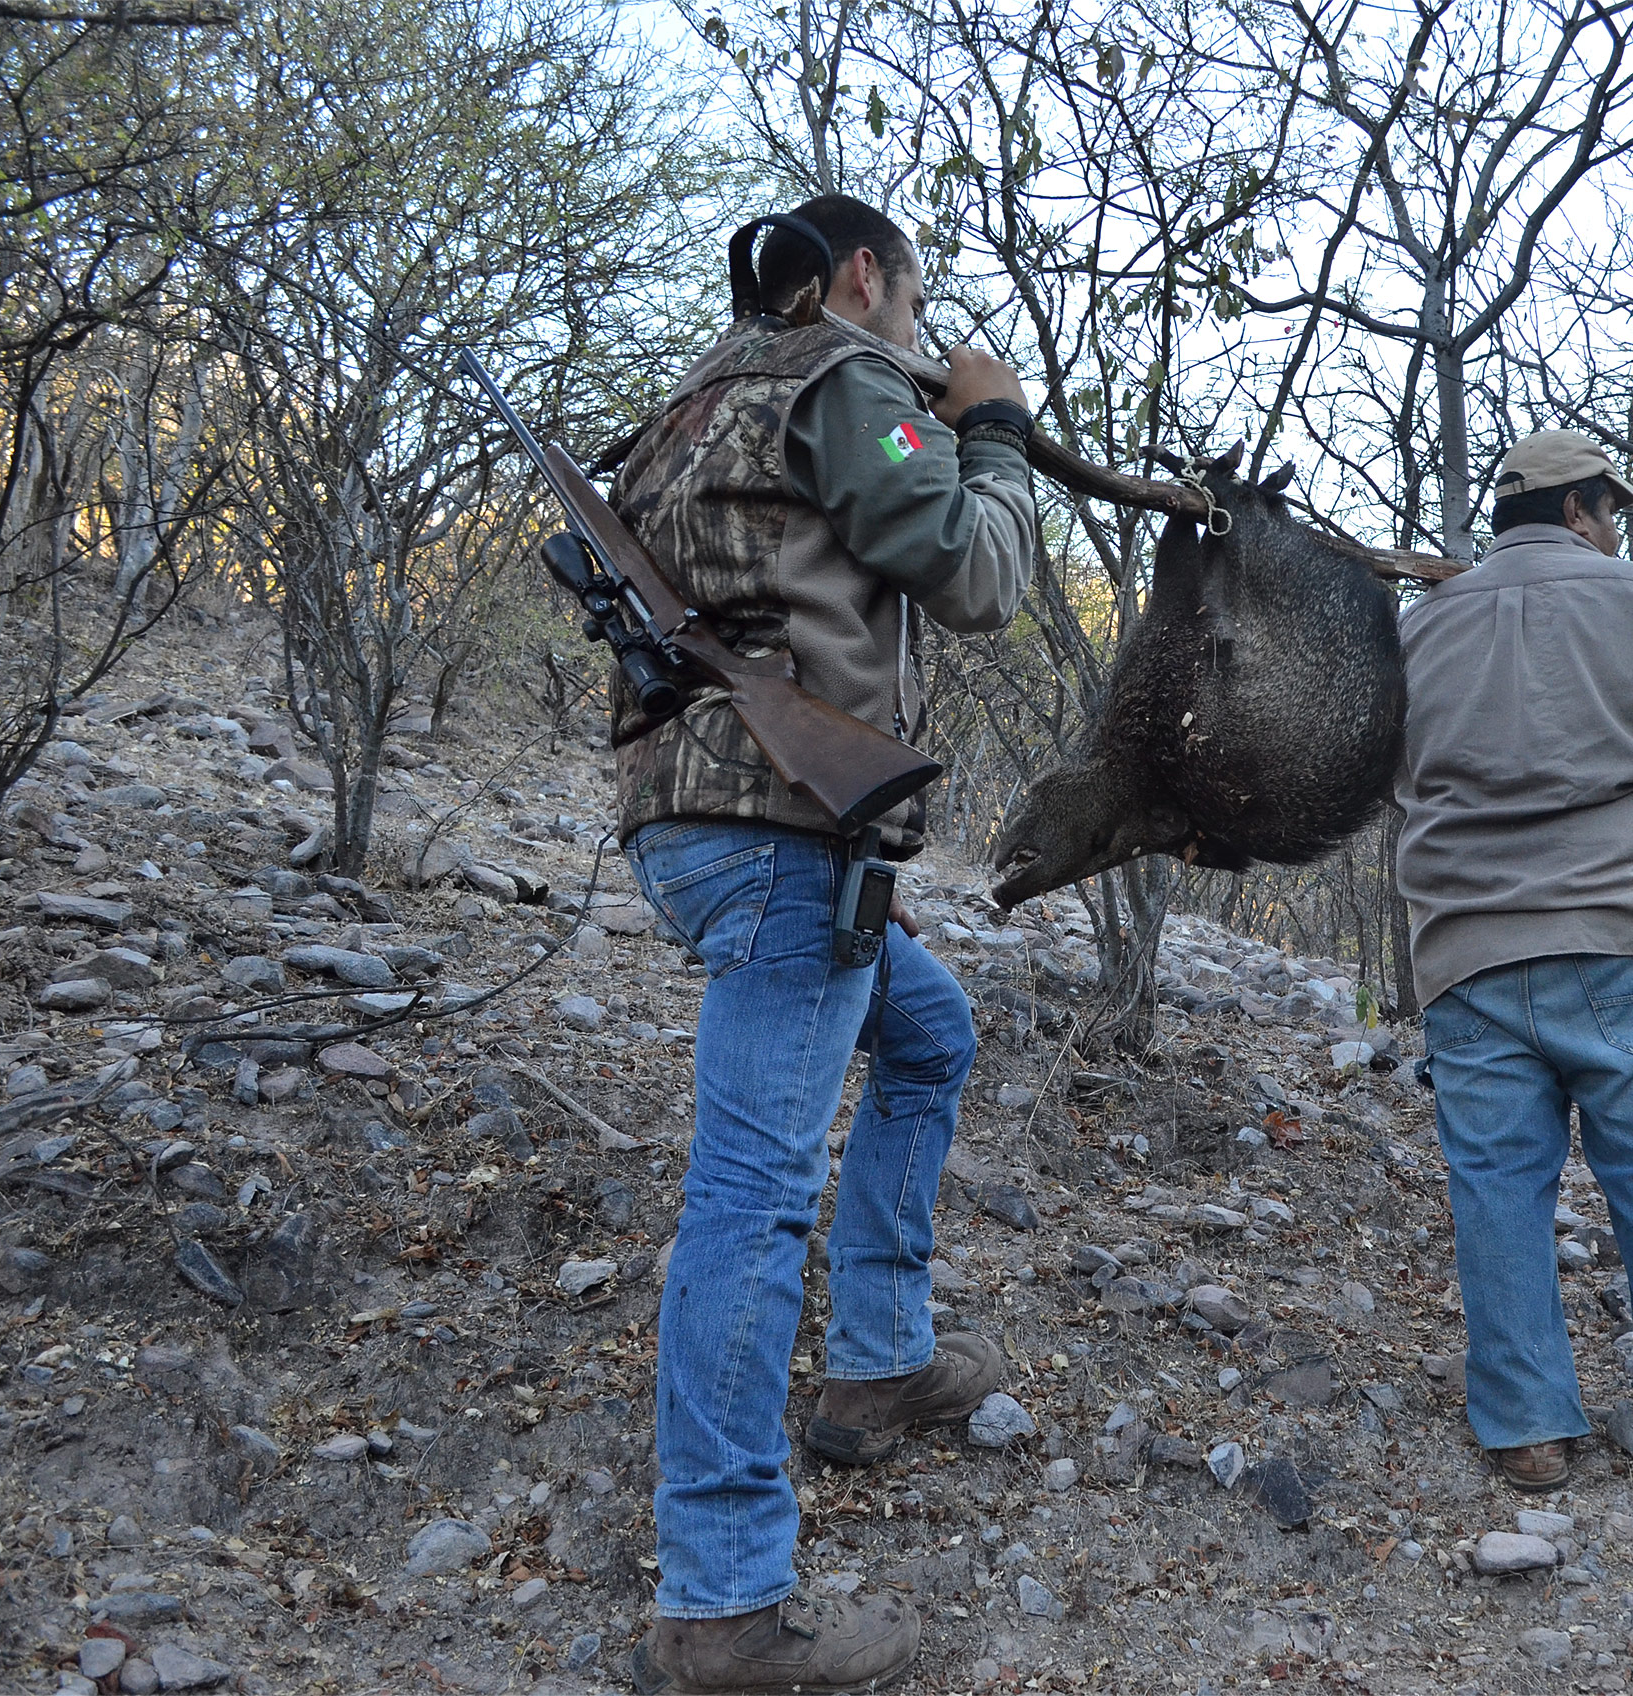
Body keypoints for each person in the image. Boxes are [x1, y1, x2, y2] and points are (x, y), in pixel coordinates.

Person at [613, 194, 1039, 1694]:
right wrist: (990, 430)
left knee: (928, 1033)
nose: (922, 334)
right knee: (749, 1200)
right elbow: (976, 580)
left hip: (698, 823)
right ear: (863, 277)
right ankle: (723, 1603)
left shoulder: (688, 405)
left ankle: (877, 1365)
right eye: (912, 302)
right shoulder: (845, 379)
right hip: (783, 831)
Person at [1393, 429, 1633, 1495]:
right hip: (1625, 937)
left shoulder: (1421, 628)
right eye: (1612, 509)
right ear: (1581, 509)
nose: (1615, 529)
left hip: (1467, 947)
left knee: (1498, 1185)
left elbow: (1391, 774)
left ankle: (1525, 1427)